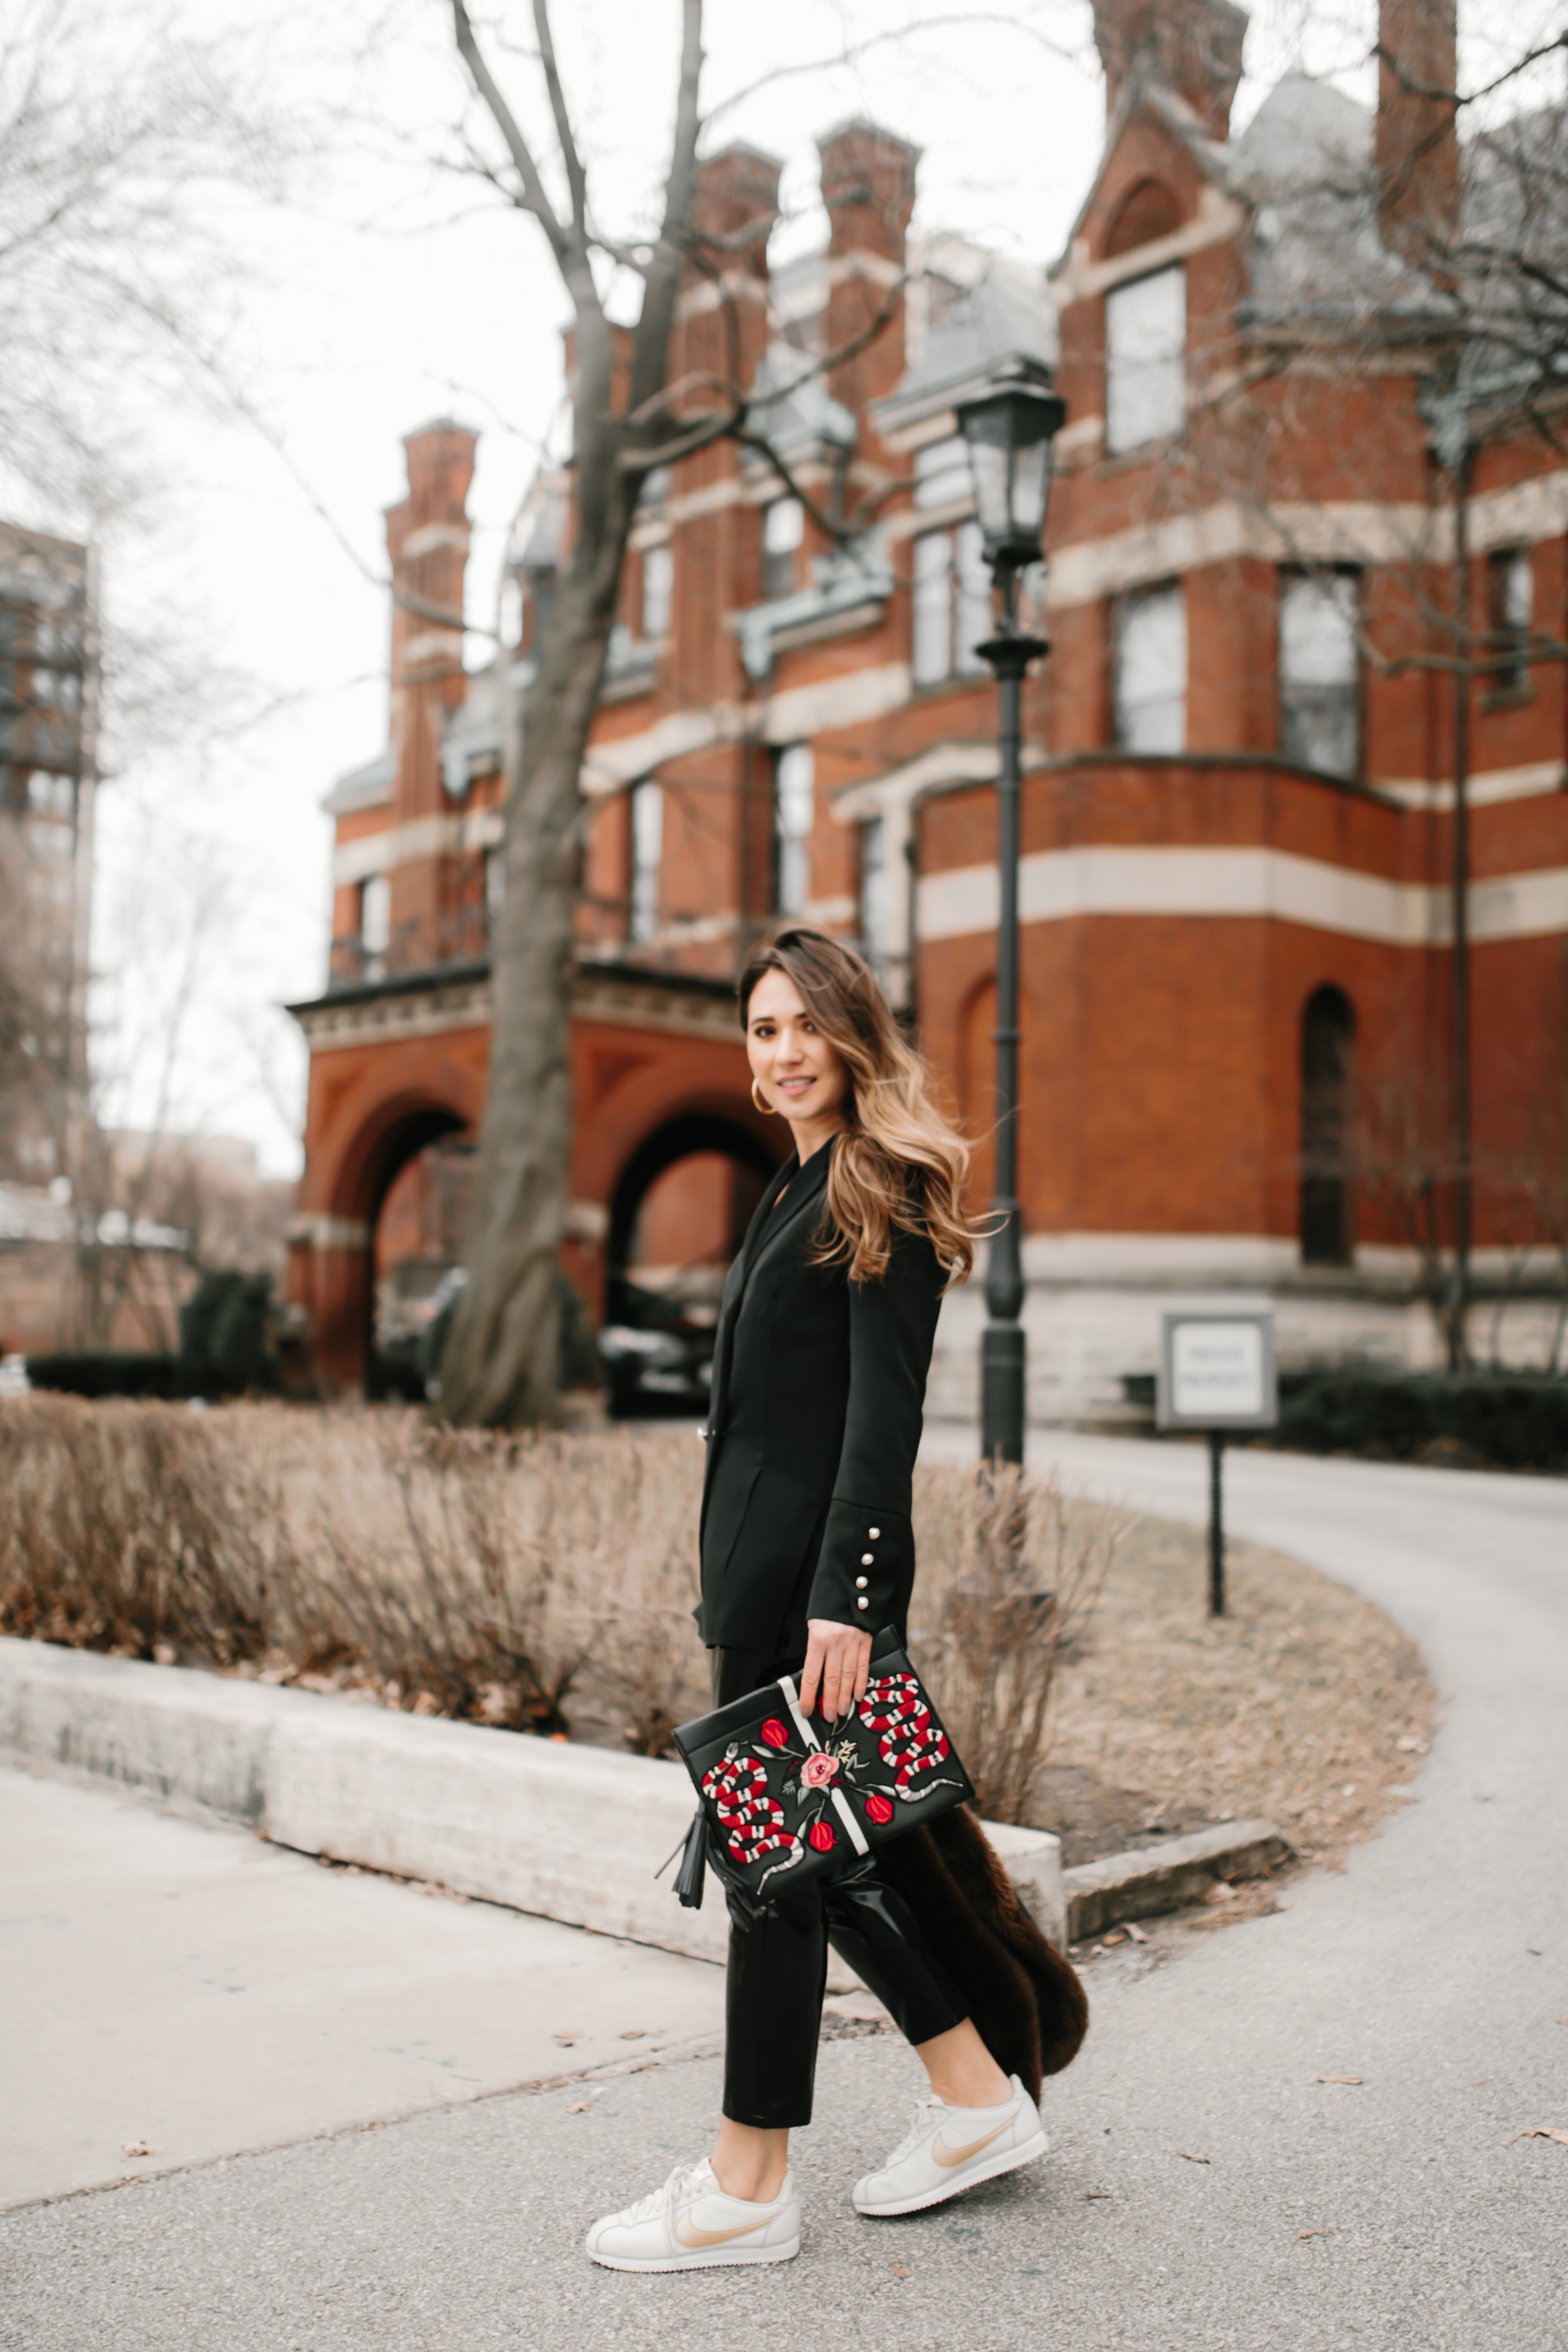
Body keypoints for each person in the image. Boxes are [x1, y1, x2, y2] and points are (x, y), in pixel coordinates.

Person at [586, 926, 1074, 2275]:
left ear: (853, 1032)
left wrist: (848, 1602)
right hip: (762, 1585)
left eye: (805, 1023)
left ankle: (746, 2185)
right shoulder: (793, 1182)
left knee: (771, 1873)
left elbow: (881, 1422)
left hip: (812, 1598)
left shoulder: (884, 1184)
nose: (784, 1050)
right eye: (762, 1029)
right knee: (817, 1853)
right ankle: (975, 2099)